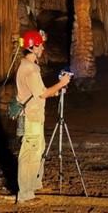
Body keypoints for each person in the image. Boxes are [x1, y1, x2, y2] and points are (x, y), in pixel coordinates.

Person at [15, 29, 71, 204]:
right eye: (41, 45)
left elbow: (40, 92)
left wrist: (55, 91)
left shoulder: (28, 66)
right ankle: (25, 195)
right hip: (31, 117)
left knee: (38, 151)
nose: (43, 48)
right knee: (29, 155)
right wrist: (61, 83)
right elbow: (41, 94)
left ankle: (35, 185)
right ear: (34, 46)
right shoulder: (30, 69)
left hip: (35, 115)